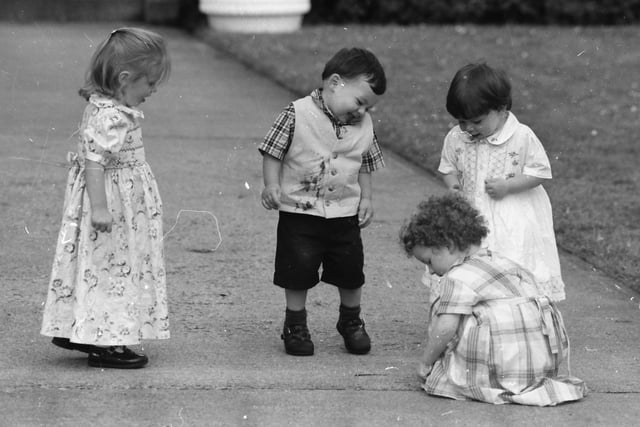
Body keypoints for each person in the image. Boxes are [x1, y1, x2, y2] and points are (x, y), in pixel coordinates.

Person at [40, 28, 171, 369]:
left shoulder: (102, 106)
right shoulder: (112, 116)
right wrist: (100, 207)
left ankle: (79, 325)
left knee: (94, 265)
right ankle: (107, 342)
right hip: (113, 202)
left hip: (114, 198)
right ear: (125, 78)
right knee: (113, 268)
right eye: (150, 83)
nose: (153, 91)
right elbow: (95, 162)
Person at [399, 193, 586, 405]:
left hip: (497, 367)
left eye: (429, 261)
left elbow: (446, 327)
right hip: (538, 366)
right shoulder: (505, 263)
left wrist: (426, 362)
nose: (431, 271)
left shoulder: (457, 277)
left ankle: (472, 375)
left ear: (448, 246)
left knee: (451, 314)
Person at [259, 47, 387, 356]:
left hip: (344, 211)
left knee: (351, 269)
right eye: (359, 102)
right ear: (334, 83)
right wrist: (271, 185)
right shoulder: (297, 113)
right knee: (297, 269)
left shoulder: (363, 125)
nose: (361, 112)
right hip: (299, 211)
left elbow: (365, 163)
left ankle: (351, 320)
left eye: (368, 107)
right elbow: (272, 151)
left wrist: (366, 197)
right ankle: (296, 324)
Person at [438, 62, 565, 301]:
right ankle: (473, 309)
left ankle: (517, 307)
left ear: (502, 108)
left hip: (512, 217)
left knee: (512, 260)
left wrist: (509, 186)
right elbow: (447, 167)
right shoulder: (457, 137)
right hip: (471, 212)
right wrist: (453, 185)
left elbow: (540, 172)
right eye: (462, 121)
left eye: (477, 121)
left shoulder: (521, 136)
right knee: (469, 264)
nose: (468, 128)